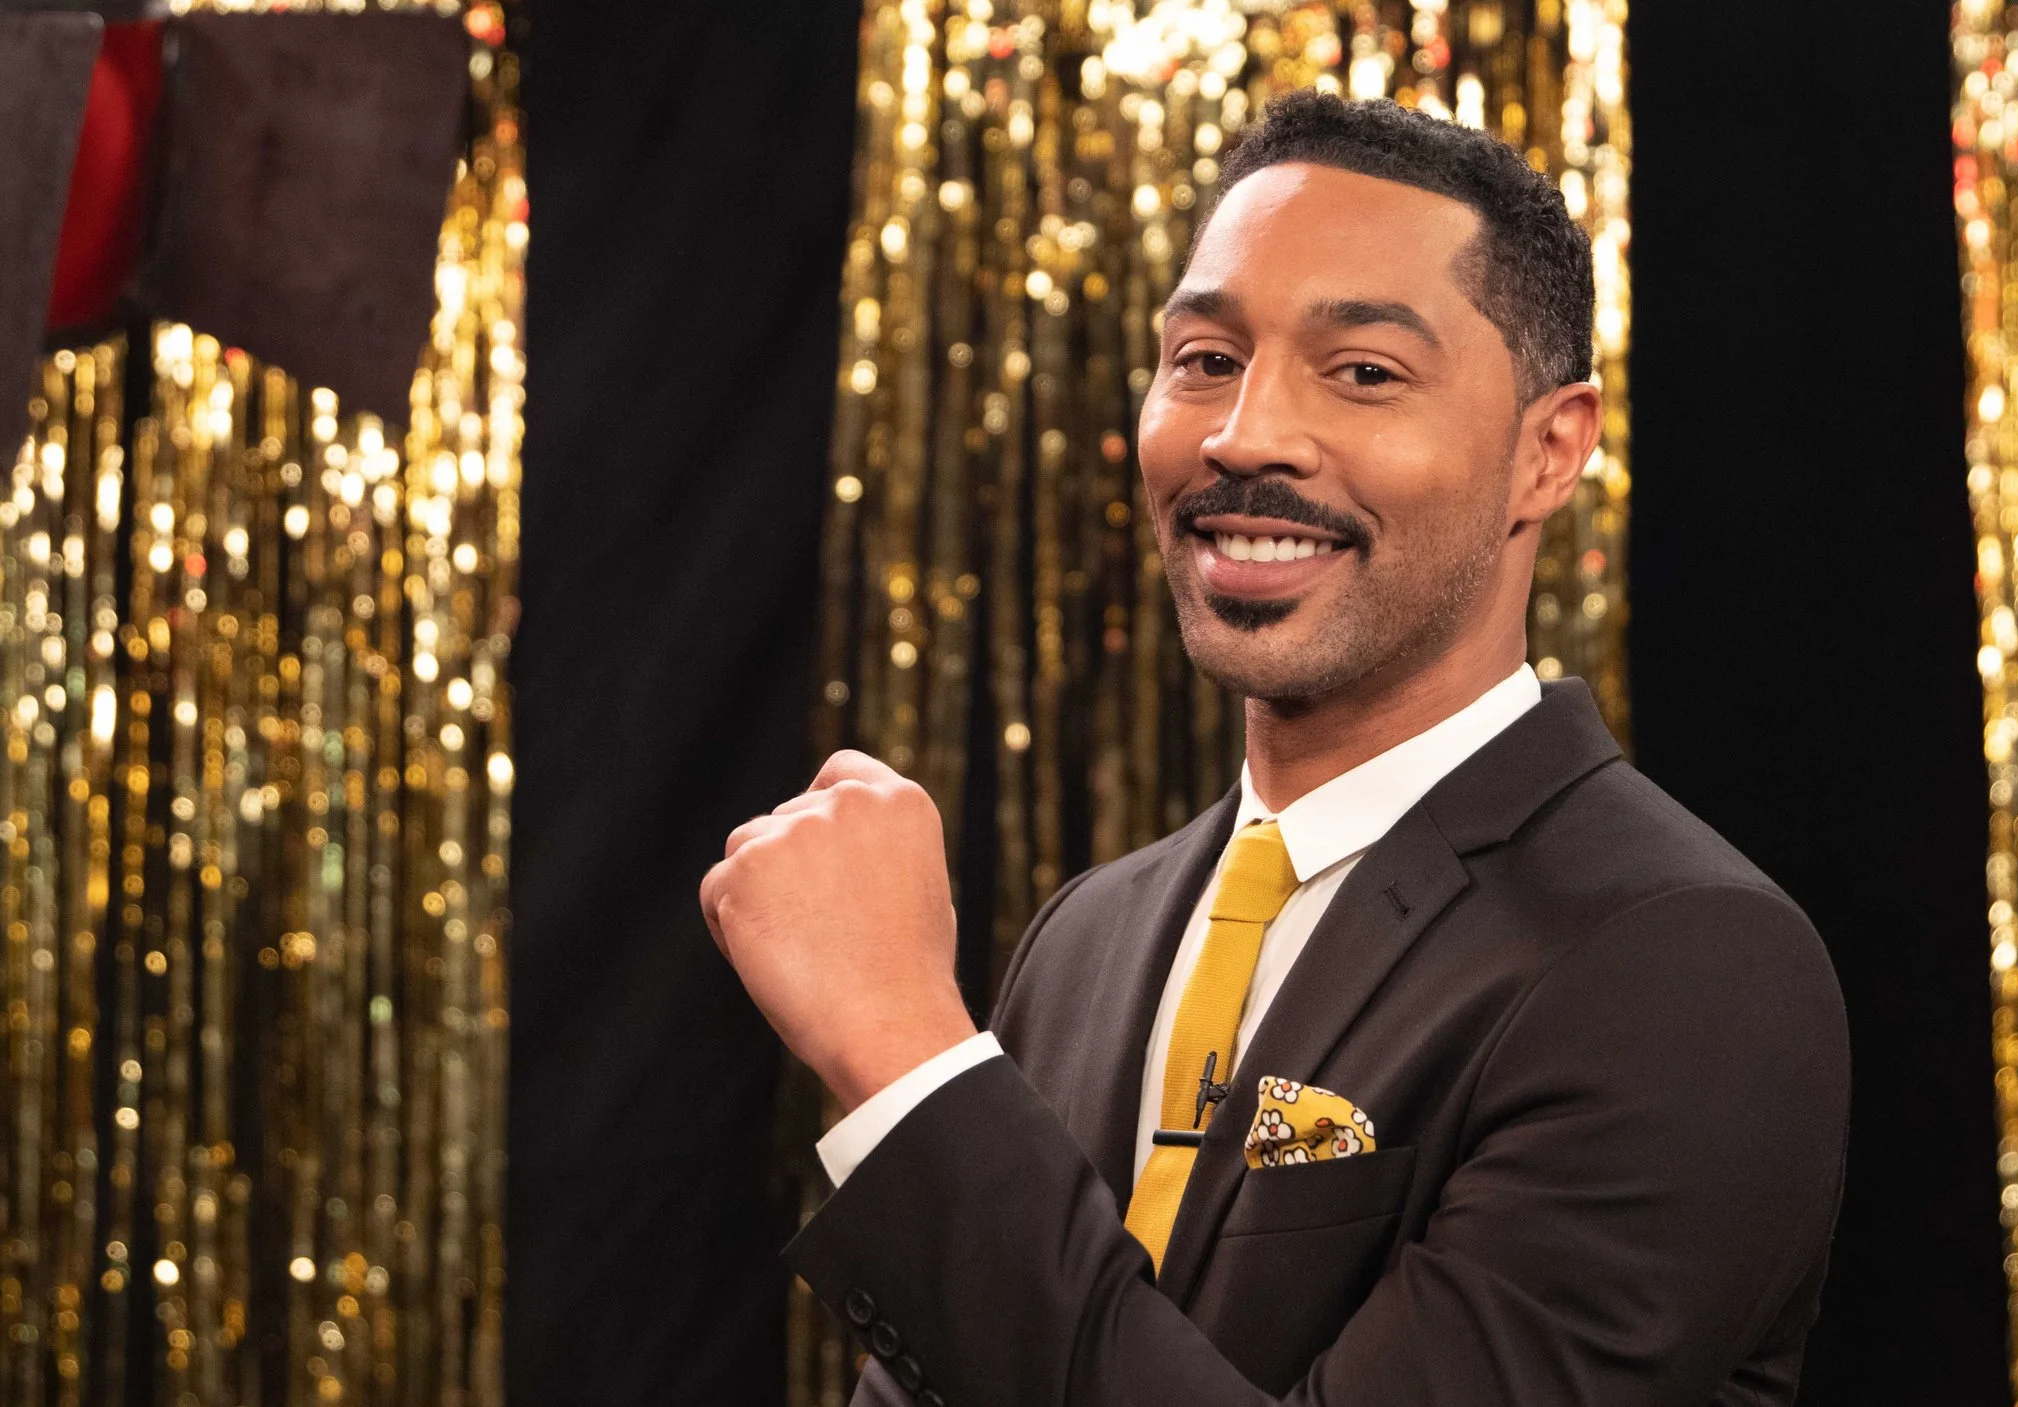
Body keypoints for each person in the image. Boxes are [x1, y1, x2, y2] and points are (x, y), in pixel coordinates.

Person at [702, 91, 1850, 1406]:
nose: (1243, 434)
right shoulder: (1086, 940)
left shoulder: (1681, 958)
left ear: (1549, 452)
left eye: (1363, 372)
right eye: (1205, 358)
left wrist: (905, 1052)